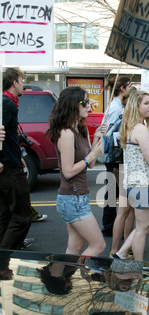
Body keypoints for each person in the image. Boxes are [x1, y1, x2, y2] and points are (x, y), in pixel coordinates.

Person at [46, 86, 106, 259]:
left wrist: (96, 139)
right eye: (84, 102)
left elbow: (91, 164)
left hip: (80, 197)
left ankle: (66, 279)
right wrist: (92, 155)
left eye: (88, 102)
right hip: (72, 199)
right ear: (73, 104)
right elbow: (68, 171)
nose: (89, 106)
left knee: (76, 246)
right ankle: (77, 278)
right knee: (98, 245)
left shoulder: (82, 129)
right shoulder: (65, 133)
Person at [112, 90, 149, 261]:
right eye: (146, 103)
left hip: (133, 183)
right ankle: (138, 267)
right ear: (137, 106)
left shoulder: (130, 126)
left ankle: (121, 252)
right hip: (143, 184)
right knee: (142, 229)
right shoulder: (141, 129)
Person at [0, 67, 32, 280]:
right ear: (13, 81)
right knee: (22, 217)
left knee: (5, 216)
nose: (24, 84)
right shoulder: (7, 103)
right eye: (22, 80)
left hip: (10, 164)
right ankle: (2, 260)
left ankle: (2, 267)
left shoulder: (8, 103)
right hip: (9, 169)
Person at [100, 76, 131, 236]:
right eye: (129, 86)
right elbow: (109, 132)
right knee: (113, 191)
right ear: (123, 88)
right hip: (115, 154)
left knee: (115, 191)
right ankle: (109, 226)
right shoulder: (117, 108)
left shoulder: (118, 106)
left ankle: (111, 225)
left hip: (115, 154)